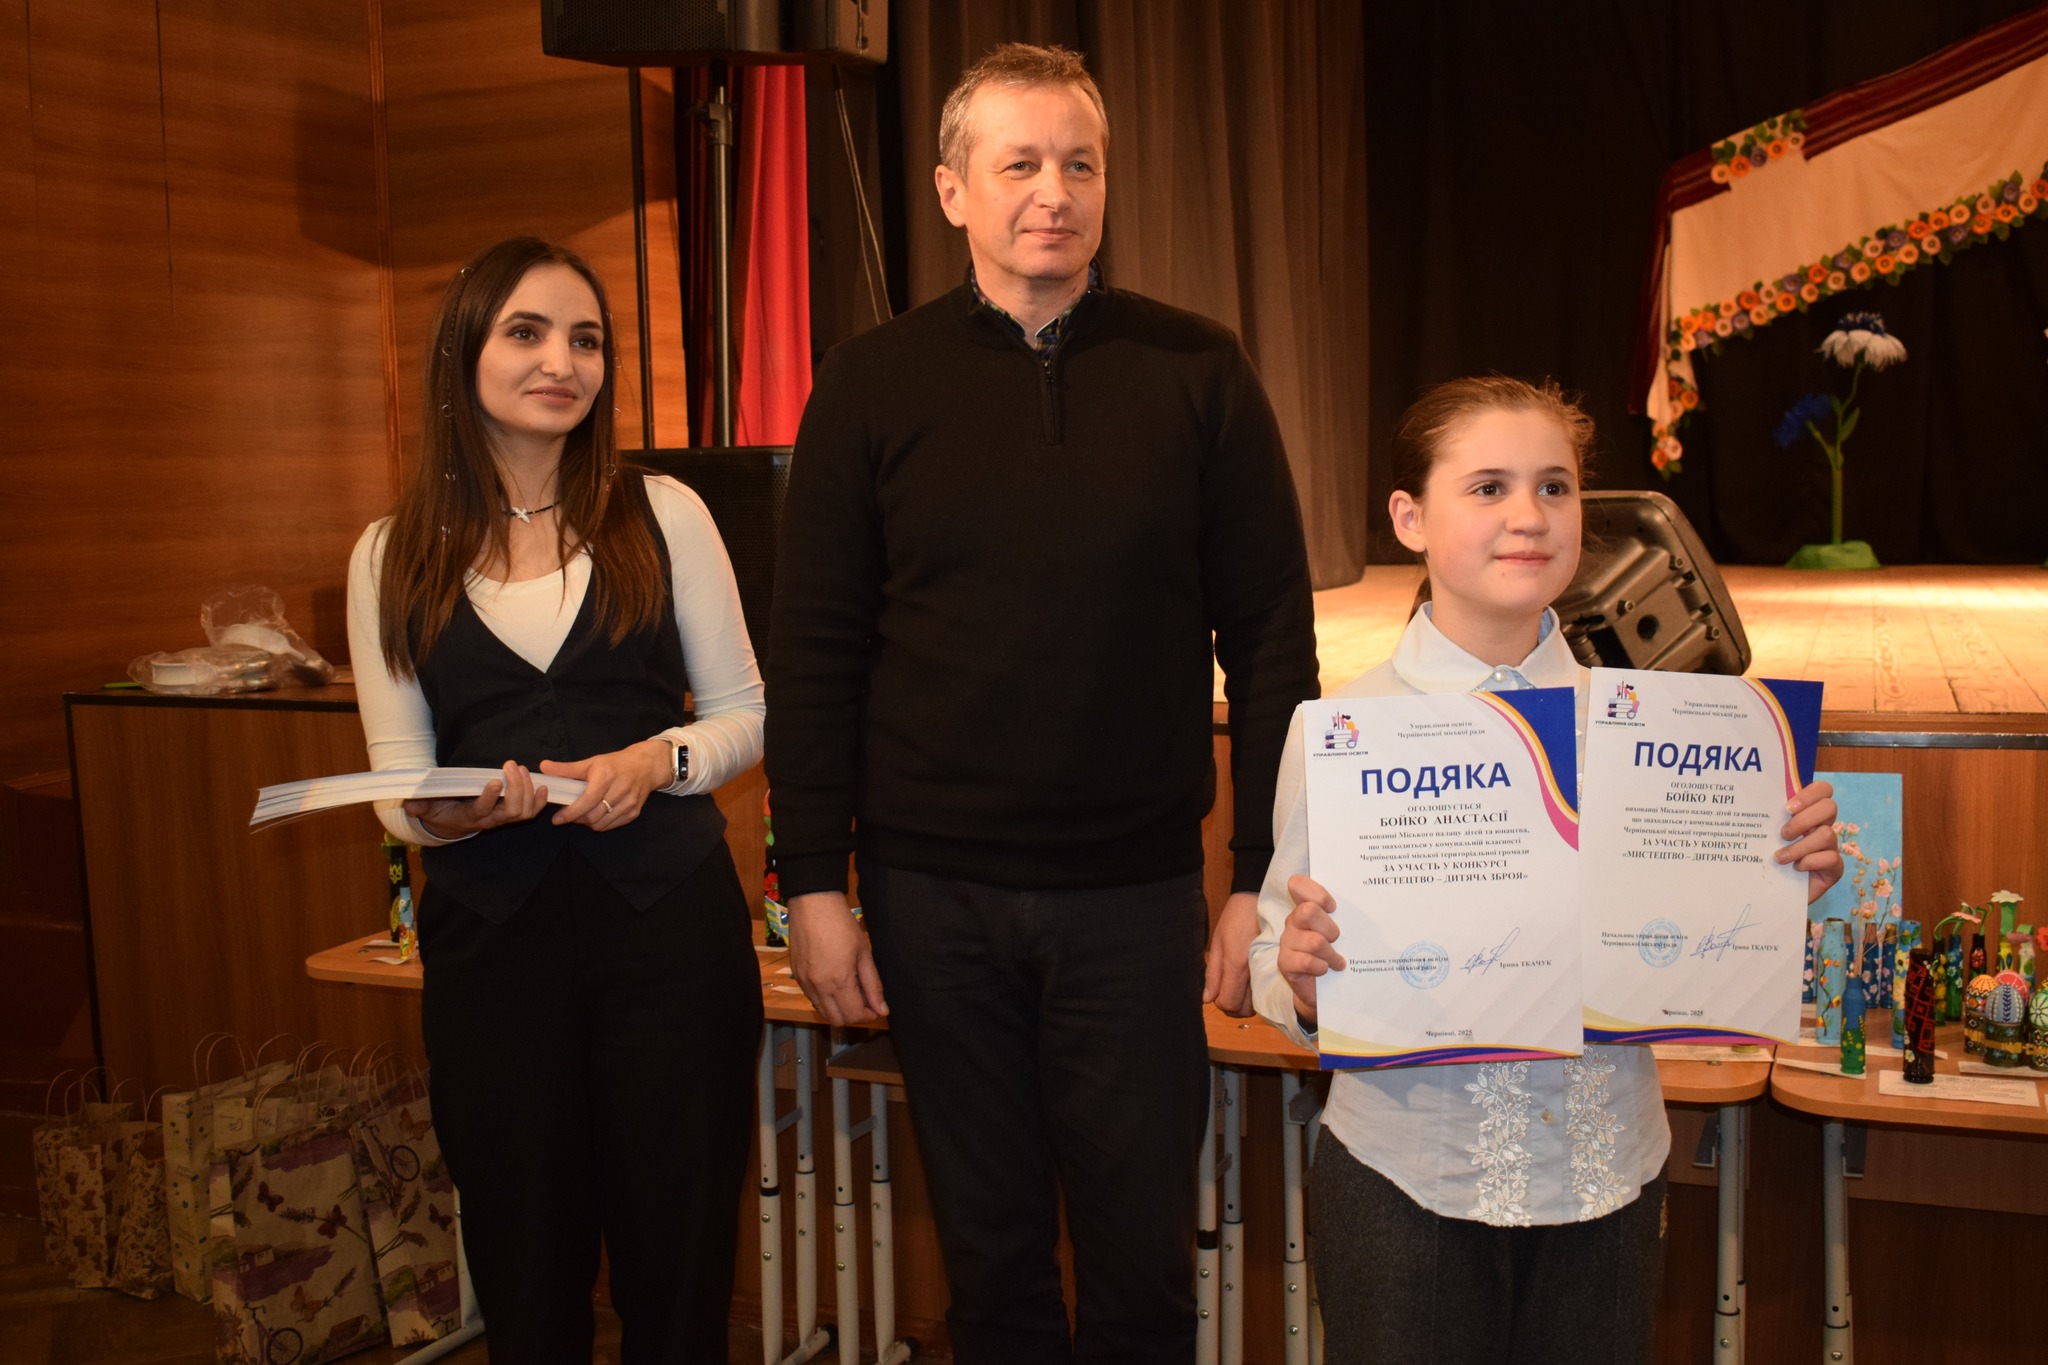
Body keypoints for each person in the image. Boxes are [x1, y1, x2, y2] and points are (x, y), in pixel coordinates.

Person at [765, 41, 1319, 1364]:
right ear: (952, 188)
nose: (1054, 193)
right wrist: (814, 882)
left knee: (1142, 1273)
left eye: (1080, 164)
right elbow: (817, 650)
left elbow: (1273, 645)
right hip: (930, 902)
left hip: (1133, 898)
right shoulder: (868, 382)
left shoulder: (1200, 370)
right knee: (992, 1265)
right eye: (1019, 163)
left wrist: (1259, 875)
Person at [1248, 376, 1844, 1364]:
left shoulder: (1655, 729)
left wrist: (1779, 880)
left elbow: (1689, 945)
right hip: (1405, 1181)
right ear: (1408, 517)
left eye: (1554, 487)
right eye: (1488, 487)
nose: (1528, 515)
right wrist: (1305, 982)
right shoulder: (1345, 729)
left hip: (1609, 1182)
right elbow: (1275, 955)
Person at [345, 237, 764, 1363]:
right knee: (524, 1264)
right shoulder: (389, 554)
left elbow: (744, 712)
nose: (561, 362)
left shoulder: (664, 511)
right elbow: (396, 775)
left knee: (679, 1262)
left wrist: (657, 763)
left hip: (669, 937)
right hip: (493, 951)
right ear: (463, 354)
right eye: (526, 333)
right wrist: (441, 816)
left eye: (585, 339)